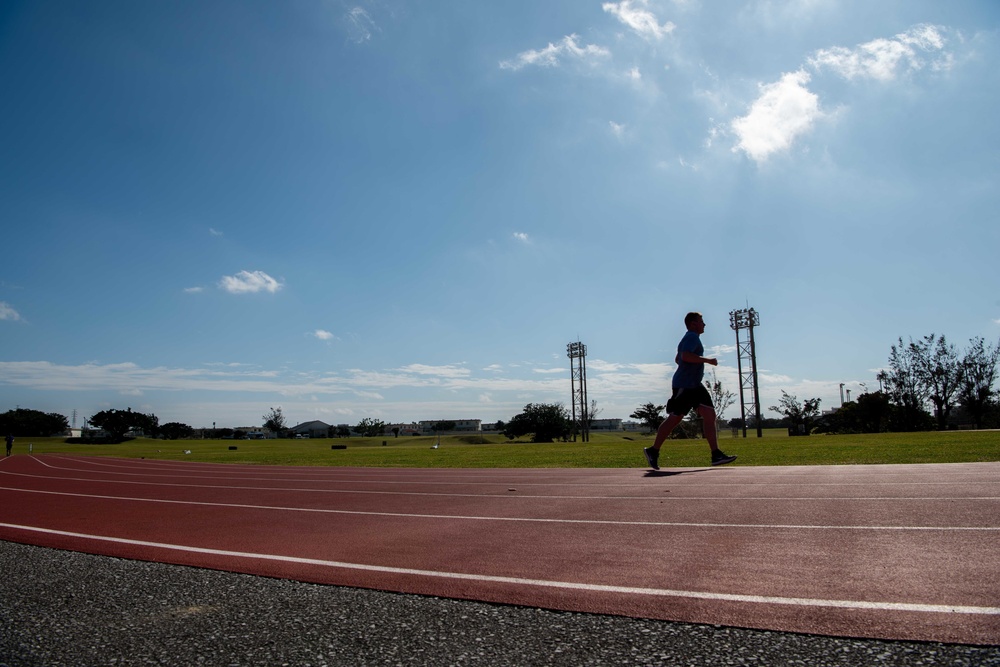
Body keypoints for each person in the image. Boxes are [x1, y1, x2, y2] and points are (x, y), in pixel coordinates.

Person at [643, 312, 737, 469]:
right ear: (693, 324)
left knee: (710, 415)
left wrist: (690, 362)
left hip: (694, 384)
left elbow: (678, 358)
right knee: (675, 418)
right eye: (701, 321)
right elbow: (685, 356)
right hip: (685, 385)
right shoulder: (691, 337)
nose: (704, 324)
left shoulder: (690, 338)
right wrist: (707, 360)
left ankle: (716, 454)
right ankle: (653, 451)